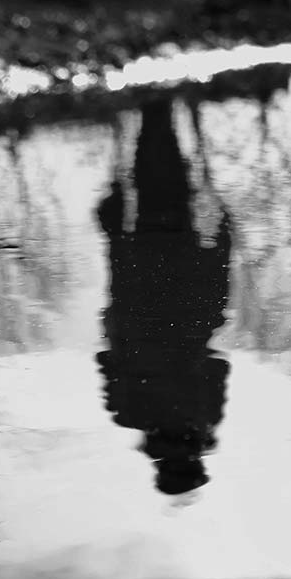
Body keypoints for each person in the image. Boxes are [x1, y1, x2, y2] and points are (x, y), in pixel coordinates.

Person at [96, 99, 232, 496]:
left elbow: (218, 366)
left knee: (169, 197)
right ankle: (155, 108)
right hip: (136, 281)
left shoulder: (205, 413)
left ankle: (157, 108)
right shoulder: (126, 412)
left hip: (188, 289)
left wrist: (221, 249)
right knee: (150, 195)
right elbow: (105, 358)